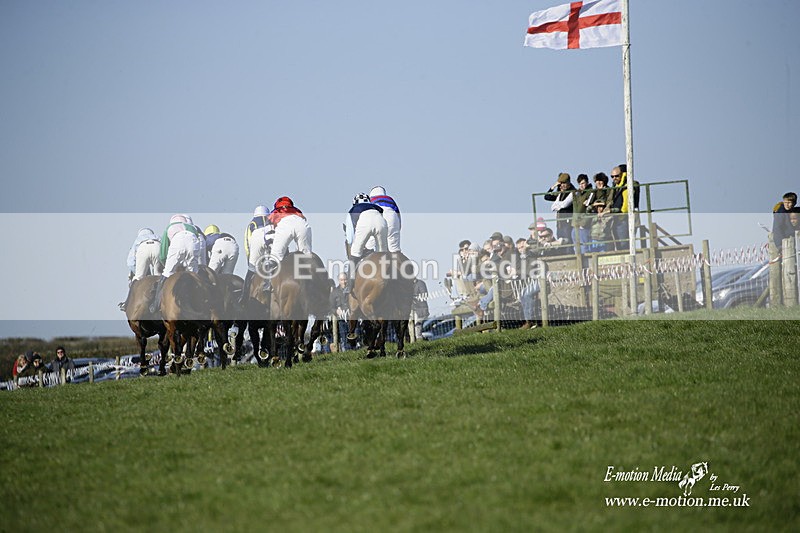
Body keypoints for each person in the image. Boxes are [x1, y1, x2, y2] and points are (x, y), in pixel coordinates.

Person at [150, 214, 206, 313]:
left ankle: (155, 304)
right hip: (193, 242)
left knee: (167, 273)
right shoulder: (192, 227)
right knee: (194, 274)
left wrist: (166, 265)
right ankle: (202, 299)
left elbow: (163, 253)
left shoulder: (169, 228)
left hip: (178, 242)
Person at [344, 193, 388, 292]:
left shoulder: (353, 210)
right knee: (383, 254)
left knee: (354, 254)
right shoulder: (375, 207)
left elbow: (350, 237)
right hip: (381, 221)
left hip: (364, 222)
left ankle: (349, 286)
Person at [242, 205, 274, 303]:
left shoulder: (252, 223)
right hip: (270, 235)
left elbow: (247, 244)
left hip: (256, 237)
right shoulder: (272, 221)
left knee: (251, 270)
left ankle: (244, 298)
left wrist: (250, 262)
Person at [268, 196, 312, 267]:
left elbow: (270, 222)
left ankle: (268, 276)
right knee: (306, 256)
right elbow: (304, 218)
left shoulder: (276, 211)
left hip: (284, 225)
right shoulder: (297, 210)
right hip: (302, 224)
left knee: (275, 257)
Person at [608, 164, 640, 251]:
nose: (614, 178)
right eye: (612, 176)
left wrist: (613, 211)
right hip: (618, 220)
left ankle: (626, 262)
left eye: (616, 176)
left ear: (622, 174)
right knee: (620, 244)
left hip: (623, 219)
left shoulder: (627, 186)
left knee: (624, 245)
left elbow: (626, 206)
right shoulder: (617, 187)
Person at [544, 172, 575, 244]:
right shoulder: (560, 193)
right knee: (560, 242)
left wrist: (557, 205)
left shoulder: (572, 192)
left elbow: (564, 205)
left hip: (568, 222)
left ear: (568, 183)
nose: (562, 186)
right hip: (560, 223)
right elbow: (547, 197)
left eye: (564, 183)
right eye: (561, 183)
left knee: (567, 242)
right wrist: (553, 187)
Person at [369, 186, 402, 252]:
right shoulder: (390, 199)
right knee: (394, 249)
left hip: (376, 217)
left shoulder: (370, 201)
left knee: (369, 247)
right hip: (392, 216)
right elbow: (398, 219)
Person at [572, 174, 593, 254]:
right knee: (576, 246)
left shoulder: (590, 192)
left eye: (583, 183)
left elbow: (587, 206)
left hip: (584, 224)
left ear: (587, 183)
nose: (581, 185)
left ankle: (586, 264)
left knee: (584, 246)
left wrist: (583, 223)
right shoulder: (577, 193)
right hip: (575, 223)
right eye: (580, 183)